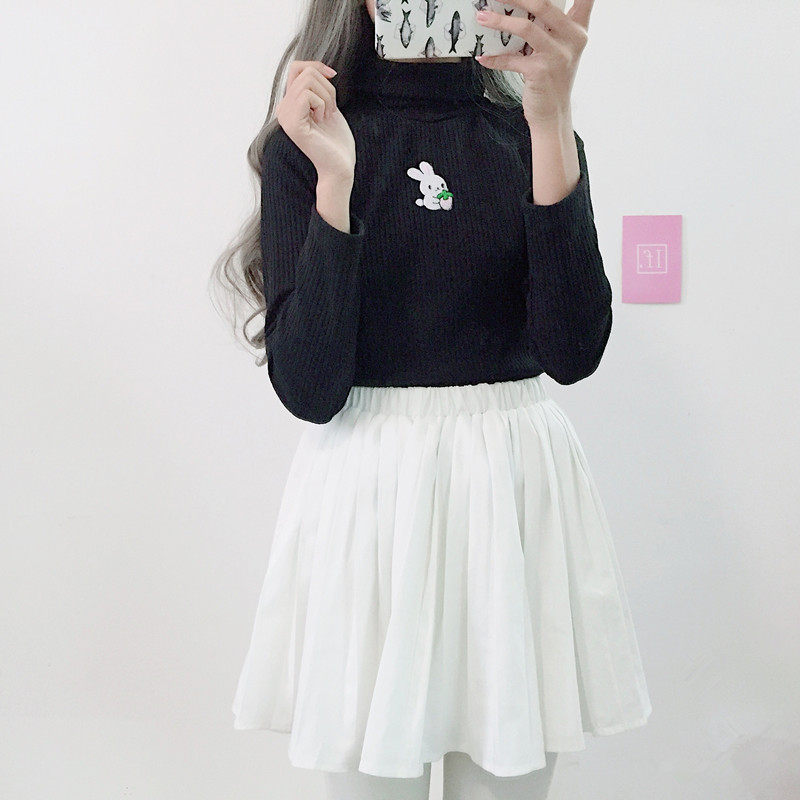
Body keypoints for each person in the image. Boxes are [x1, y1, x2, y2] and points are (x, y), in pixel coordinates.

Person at [209, 0, 652, 797]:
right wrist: (336, 181)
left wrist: (552, 119)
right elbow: (309, 388)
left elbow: (573, 352)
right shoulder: (309, 142)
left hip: (514, 489)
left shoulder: (526, 131)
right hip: (371, 491)